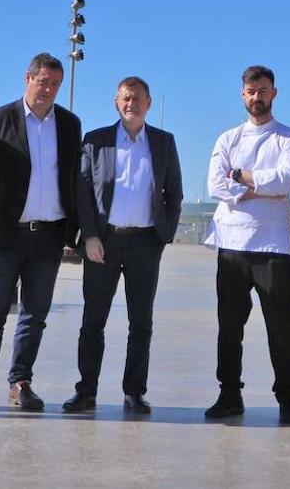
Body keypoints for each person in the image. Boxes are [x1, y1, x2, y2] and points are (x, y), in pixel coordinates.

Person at [0, 52, 82, 415]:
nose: (48, 89)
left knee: (35, 314)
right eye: (43, 81)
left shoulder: (69, 124)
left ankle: (20, 382)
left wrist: (74, 232)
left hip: (48, 237)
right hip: (6, 234)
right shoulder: (1, 118)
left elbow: (76, 178)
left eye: (55, 84)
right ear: (28, 79)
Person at [63, 76, 183, 414]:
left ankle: (134, 392)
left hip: (146, 243)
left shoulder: (163, 142)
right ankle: (86, 391)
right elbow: (82, 190)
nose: (131, 103)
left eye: (138, 98)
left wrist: (165, 235)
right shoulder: (96, 141)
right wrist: (89, 236)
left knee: (140, 323)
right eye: (125, 98)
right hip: (104, 242)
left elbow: (174, 193)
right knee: (93, 321)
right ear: (117, 103)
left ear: (148, 103)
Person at [204, 65, 290, 424]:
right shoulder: (227, 138)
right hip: (231, 244)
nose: (256, 97)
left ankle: (287, 399)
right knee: (229, 326)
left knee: (281, 326)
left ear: (273, 93)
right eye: (250, 91)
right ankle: (229, 394)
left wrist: (240, 178)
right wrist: (255, 188)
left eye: (262, 91)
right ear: (242, 95)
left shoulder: (289, 138)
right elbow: (215, 185)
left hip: (273, 247)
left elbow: (285, 179)